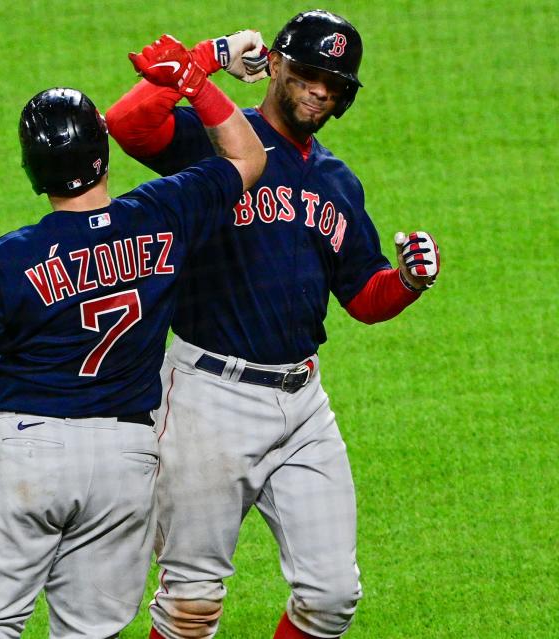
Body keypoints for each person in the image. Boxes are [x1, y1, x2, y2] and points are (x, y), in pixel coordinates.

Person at [0, 34, 268, 639]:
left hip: (30, 456)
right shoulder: (166, 211)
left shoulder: (15, 258)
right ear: (103, 150)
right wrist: (198, 77)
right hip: (127, 462)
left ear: (31, 167)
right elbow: (248, 158)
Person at [106, 10, 442, 639]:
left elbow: (364, 296)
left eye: (336, 83)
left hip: (304, 405)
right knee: (190, 609)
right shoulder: (219, 138)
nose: (321, 90)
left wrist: (408, 282)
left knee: (332, 597)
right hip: (208, 397)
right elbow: (128, 124)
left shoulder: (338, 182)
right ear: (279, 65)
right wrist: (208, 56)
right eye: (311, 73)